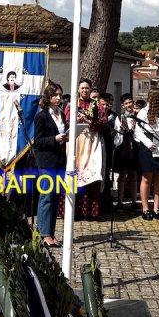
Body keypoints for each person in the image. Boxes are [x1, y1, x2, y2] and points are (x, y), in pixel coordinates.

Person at [33, 83, 67, 248]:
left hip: (59, 160)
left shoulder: (61, 114)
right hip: (46, 161)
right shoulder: (42, 116)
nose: (59, 98)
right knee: (46, 197)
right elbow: (37, 141)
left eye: (60, 95)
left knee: (55, 197)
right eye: (56, 95)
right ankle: (43, 234)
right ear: (48, 97)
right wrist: (54, 139)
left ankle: (51, 233)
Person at [67, 79, 105, 220]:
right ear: (78, 89)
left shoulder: (96, 105)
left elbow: (103, 122)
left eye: (87, 88)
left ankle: (90, 211)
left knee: (91, 175)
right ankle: (73, 211)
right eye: (82, 88)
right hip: (76, 140)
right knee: (74, 174)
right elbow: (66, 121)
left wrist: (89, 121)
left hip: (91, 141)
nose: (84, 91)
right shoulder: (71, 104)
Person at [135, 87, 159, 220]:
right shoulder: (143, 113)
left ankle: (156, 208)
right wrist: (147, 143)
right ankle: (145, 208)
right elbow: (138, 132)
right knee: (146, 178)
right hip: (148, 148)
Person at [113, 95, 139, 207]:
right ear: (123, 105)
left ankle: (134, 201)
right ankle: (120, 201)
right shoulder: (119, 118)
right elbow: (117, 136)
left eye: (130, 102)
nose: (129, 105)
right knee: (122, 174)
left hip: (135, 147)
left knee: (133, 174)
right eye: (126, 103)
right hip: (124, 148)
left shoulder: (138, 117)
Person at [0, 71, 22, 167]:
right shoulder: (4, 87)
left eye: (14, 77)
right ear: (7, 78)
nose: (12, 79)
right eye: (10, 77)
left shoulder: (18, 87)